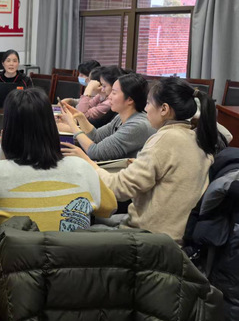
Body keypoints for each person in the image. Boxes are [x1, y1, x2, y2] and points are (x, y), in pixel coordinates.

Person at [62, 77, 219, 242]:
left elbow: (118, 189)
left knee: (72, 233)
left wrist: (89, 164)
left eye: (149, 103)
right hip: (172, 233)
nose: (146, 108)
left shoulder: (165, 139)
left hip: (151, 239)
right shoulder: (194, 136)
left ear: (164, 109)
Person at [0, 88, 116, 232]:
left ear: (7, 131)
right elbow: (109, 207)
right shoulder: (82, 168)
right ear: (52, 127)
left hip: (19, 250)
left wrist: (3, 149)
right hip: (73, 250)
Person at [57, 73, 155, 161]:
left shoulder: (137, 125)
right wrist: (80, 117)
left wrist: (72, 124)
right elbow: (96, 137)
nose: (109, 96)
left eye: (114, 93)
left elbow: (95, 153)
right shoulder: (120, 117)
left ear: (130, 100)